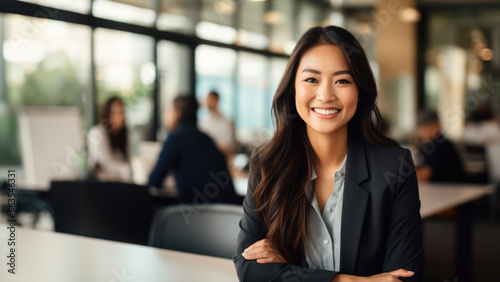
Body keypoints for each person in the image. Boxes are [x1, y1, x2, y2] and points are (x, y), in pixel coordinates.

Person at [233, 26, 422, 281]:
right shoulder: (267, 164)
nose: (325, 95)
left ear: (360, 92)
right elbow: (249, 269)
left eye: (342, 81)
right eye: (311, 79)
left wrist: (290, 270)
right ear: (293, 89)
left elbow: (402, 277)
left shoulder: (394, 168)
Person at [148, 95, 240, 204]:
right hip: (229, 211)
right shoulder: (207, 139)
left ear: (177, 114)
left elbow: (154, 181)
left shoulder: (175, 138)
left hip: (203, 215)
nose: (165, 116)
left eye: (167, 111)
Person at [87, 97, 132, 181]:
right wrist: (128, 168)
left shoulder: (124, 135)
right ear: (108, 114)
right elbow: (106, 163)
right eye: (117, 112)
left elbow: (129, 159)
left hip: (121, 182)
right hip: (102, 184)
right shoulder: (97, 133)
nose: (122, 116)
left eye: (123, 112)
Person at [415, 110, 466, 183]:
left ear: (436, 125)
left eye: (424, 128)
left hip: (450, 189)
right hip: (446, 189)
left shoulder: (437, 145)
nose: (420, 133)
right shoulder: (438, 142)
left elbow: (424, 175)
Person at [199, 91, 237, 157]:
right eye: (206, 100)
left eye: (209, 99)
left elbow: (231, 147)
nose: (207, 102)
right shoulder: (203, 122)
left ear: (216, 100)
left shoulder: (227, 121)